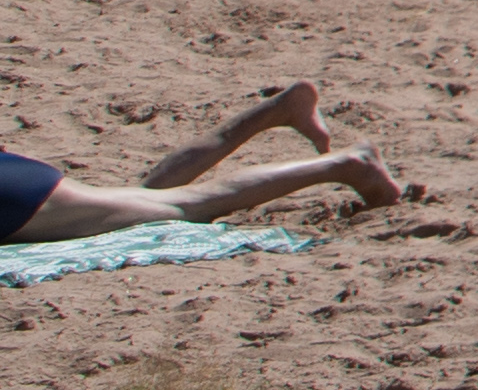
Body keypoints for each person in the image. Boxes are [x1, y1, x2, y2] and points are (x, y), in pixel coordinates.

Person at [2, 82, 407, 242]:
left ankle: (347, 165)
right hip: (14, 179)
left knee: (187, 205)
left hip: (17, 201)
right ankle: (280, 111)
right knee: (152, 200)